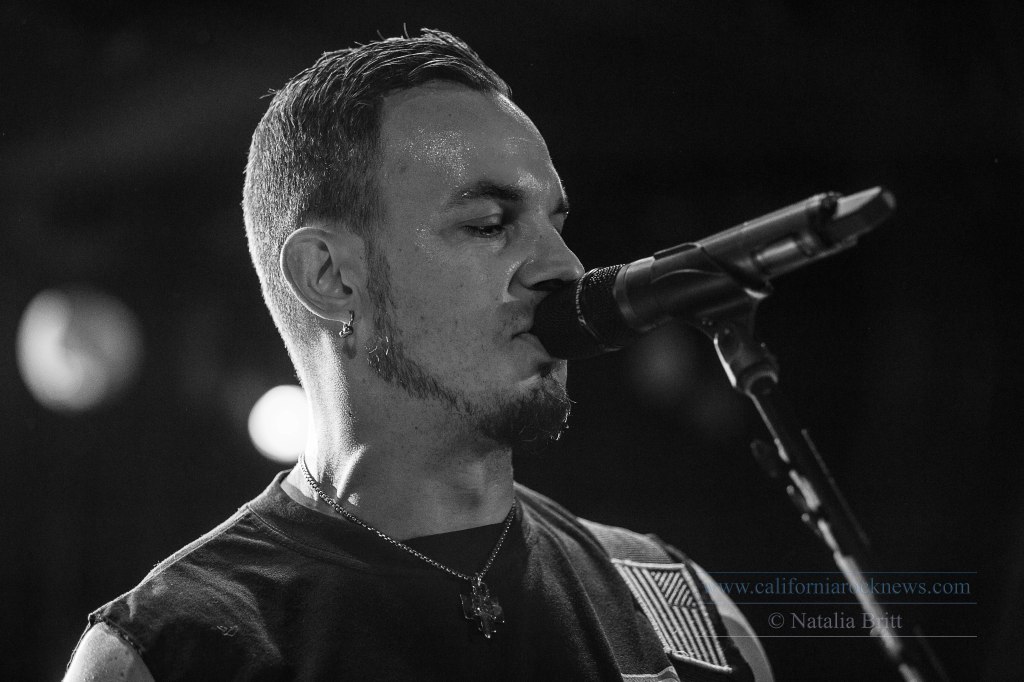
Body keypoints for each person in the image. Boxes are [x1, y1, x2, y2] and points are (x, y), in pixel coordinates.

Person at [64, 29, 772, 681]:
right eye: (490, 223)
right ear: (330, 277)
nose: (565, 266)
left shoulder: (687, 613)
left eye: (557, 223)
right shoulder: (172, 651)